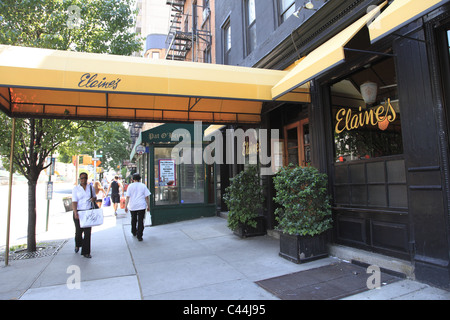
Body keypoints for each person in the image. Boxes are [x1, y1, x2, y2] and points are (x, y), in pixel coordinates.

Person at [72, 172, 96, 258]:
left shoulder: (90, 187)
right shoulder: (76, 189)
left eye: (85, 178)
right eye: (82, 178)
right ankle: (78, 244)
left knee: (87, 233)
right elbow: (74, 201)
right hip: (78, 211)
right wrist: (75, 212)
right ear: (79, 179)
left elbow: (94, 197)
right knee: (78, 232)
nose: (83, 180)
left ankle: (86, 252)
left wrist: (94, 199)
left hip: (88, 212)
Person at [125, 173, 151, 241]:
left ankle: (134, 231)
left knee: (133, 219)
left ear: (133, 179)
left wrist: (125, 206)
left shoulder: (130, 186)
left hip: (132, 205)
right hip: (141, 205)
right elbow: (147, 197)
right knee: (140, 220)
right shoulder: (143, 186)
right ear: (140, 179)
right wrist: (148, 205)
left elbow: (127, 197)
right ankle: (139, 235)